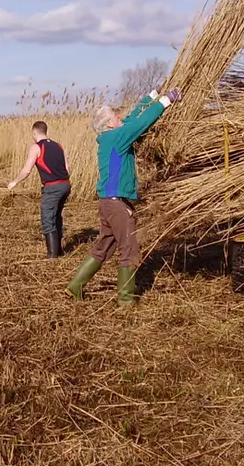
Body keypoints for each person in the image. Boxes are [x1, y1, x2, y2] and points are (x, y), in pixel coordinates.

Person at [64, 87, 181, 306]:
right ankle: (126, 300)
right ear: (109, 123)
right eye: (115, 116)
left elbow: (132, 117)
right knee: (129, 248)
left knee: (104, 246)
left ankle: (75, 286)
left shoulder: (111, 136)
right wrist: (166, 101)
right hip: (117, 203)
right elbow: (140, 123)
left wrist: (150, 96)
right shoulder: (117, 137)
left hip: (108, 202)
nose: (120, 117)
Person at [7, 121, 71, 258]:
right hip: (65, 185)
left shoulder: (36, 147)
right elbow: (67, 168)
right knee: (56, 216)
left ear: (34, 132)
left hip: (52, 187)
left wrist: (14, 182)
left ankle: (52, 256)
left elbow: (26, 170)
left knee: (47, 219)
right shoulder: (59, 146)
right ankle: (59, 250)